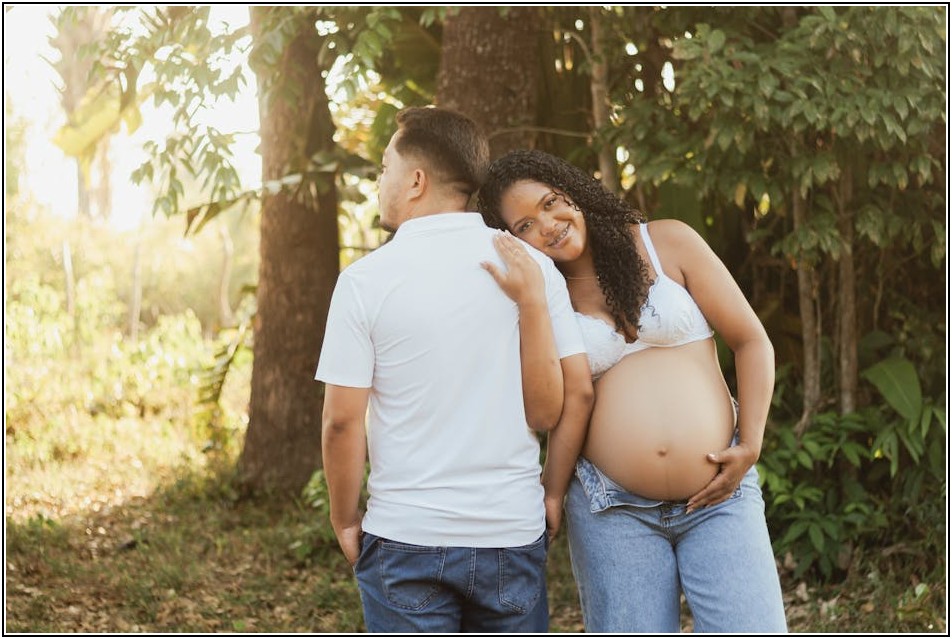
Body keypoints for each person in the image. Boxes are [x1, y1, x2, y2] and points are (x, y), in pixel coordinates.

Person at [477, 149, 788, 633]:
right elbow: (551, 407)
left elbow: (751, 341)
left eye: (551, 201)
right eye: (524, 227)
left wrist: (750, 444)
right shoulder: (539, 301)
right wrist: (552, 493)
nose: (548, 224)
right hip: (610, 508)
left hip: (719, 496)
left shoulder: (667, 242)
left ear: (574, 192)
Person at [314, 108, 593, 633]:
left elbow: (342, 423)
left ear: (415, 180)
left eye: (383, 169)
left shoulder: (364, 281)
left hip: (404, 536)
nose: (380, 183)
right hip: (510, 529)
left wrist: (344, 517)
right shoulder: (531, 269)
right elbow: (566, 400)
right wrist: (550, 493)